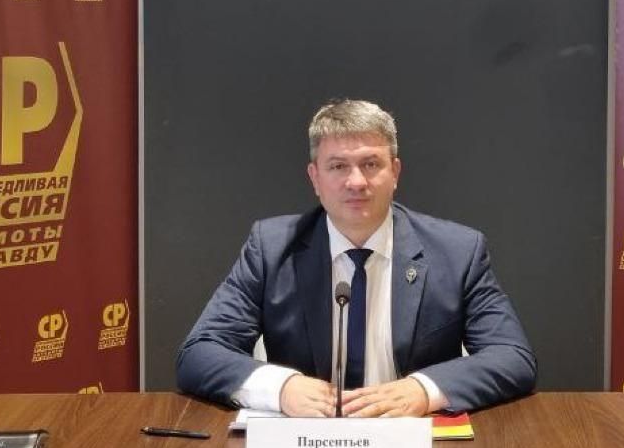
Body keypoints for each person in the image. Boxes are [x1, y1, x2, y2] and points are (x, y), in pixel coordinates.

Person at [176, 99, 536, 417]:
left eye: (371, 164)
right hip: (307, 447)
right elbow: (199, 353)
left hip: (412, 442)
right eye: (338, 166)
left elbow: (512, 356)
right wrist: (282, 388)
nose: (356, 182)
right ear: (315, 178)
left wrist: (422, 390)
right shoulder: (271, 249)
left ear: (395, 173)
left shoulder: (457, 251)